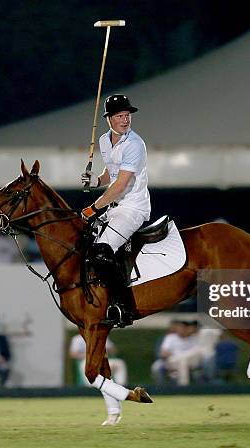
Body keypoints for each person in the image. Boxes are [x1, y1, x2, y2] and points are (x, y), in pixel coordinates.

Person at [80, 94, 151, 328]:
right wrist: (95, 181)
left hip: (132, 208)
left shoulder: (134, 144)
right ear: (109, 119)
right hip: (113, 207)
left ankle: (123, 307)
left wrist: (94, 208)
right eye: (120, 116)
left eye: (127, 115)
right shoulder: (103, 140)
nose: (125, 120)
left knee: (101, 250)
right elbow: (111, 176)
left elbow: (121, 185)